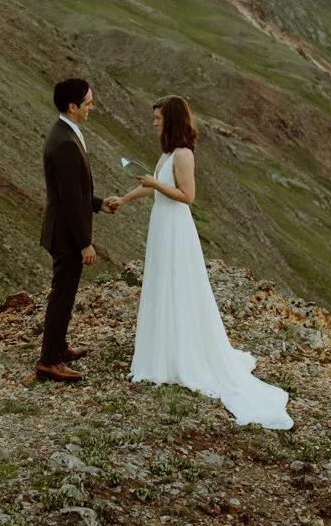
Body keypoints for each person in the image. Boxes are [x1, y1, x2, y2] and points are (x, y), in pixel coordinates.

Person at [111, 95, 292, 428]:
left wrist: (155, 184)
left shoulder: (182, 155)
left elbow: (187, 197)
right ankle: (162, 349)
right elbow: (153, 188)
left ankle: (180, 353)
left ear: (172, 120)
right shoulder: (167, 153)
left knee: (178, 286)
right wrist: (123, 198)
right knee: (161, 284)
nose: (153, 123)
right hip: (162, 225)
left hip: (176, 228)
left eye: (158, 118)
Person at [36, 77, 118, 383]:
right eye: (88, 103)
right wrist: (85, 243)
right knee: (62, 295)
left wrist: (98, 204)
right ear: (72, 106)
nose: (91, 108)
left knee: (65, 294)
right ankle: (48, 361)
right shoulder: (65, 143)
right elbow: (69, 200)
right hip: (66, 236)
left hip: (62, 230)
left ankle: (58, 347)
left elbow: (75, 192)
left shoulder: (65, 134)